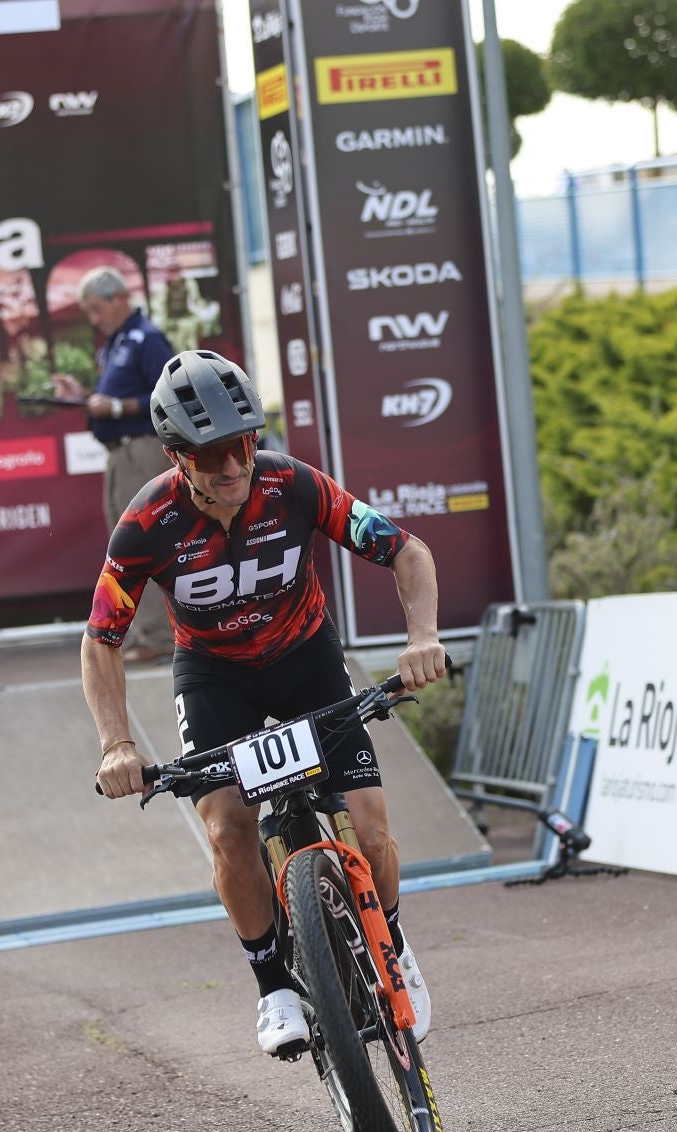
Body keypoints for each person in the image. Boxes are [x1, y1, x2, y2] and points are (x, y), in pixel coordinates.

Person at [83, 350, 448, 1056]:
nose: (233, 466)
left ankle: (394, 948)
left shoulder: (292, 484)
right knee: (226, 830)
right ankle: (273, 985)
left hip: (307, 658)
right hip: (215, 677)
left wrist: (422, 637)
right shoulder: (146, 523)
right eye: (213, 453)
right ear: (177, 458)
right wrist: (116, 743)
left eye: (243, 444)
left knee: (370, 831)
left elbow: (407, 552)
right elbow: (101, 638)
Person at [51, 268, 176, 664]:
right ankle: (143, 633)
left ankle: (159, 636)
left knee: (148, 540)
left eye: (97, 308)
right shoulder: (116, 342)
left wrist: (117, 406)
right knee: (127, 545)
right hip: (119, 452)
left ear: (120, 298)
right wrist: (84, 397)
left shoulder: (147, 337)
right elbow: (112, 399)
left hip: (144, 448)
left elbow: (171, 393)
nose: (93, 318)